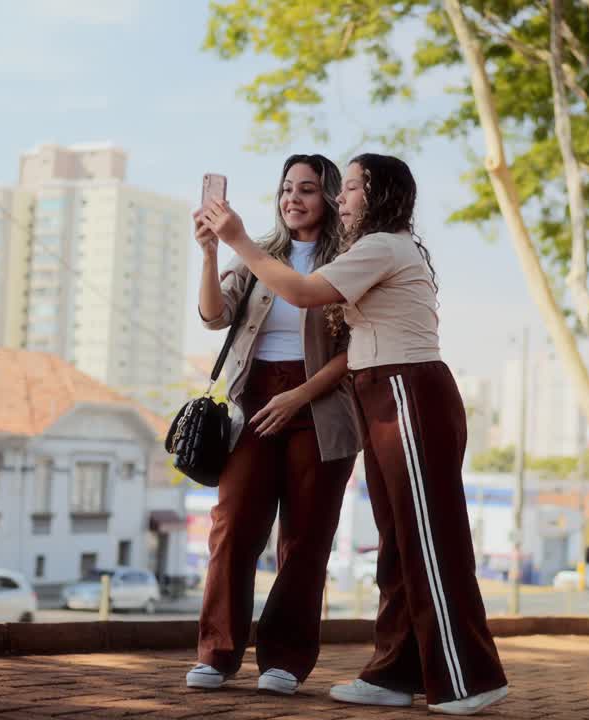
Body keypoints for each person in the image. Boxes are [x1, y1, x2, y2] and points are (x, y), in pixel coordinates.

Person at [199, 153, 508, 715]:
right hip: (383, 396)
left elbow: (302, 293)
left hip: (406, 393)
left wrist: (239, 239)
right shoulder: (380, 248)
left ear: (379, 194)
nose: (342, 198)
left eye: (351, 188)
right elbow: (228, 309)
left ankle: (471, 679)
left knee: (429, 545)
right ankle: (394, 673)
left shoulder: (380, 246)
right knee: (398, 545)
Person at [186, 154, 361, 697]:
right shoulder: (261, 255)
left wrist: (300, 396)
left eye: (307, 189)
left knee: (305, 539)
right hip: (253, 404)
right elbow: (214, 316)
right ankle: (217, 653)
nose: (293, 198)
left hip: (321, 408)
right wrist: (212, 252)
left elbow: (358, 351)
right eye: (287, 188)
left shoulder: (350, 260)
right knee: (233, 527)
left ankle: (285, 659)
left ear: (330, 198)